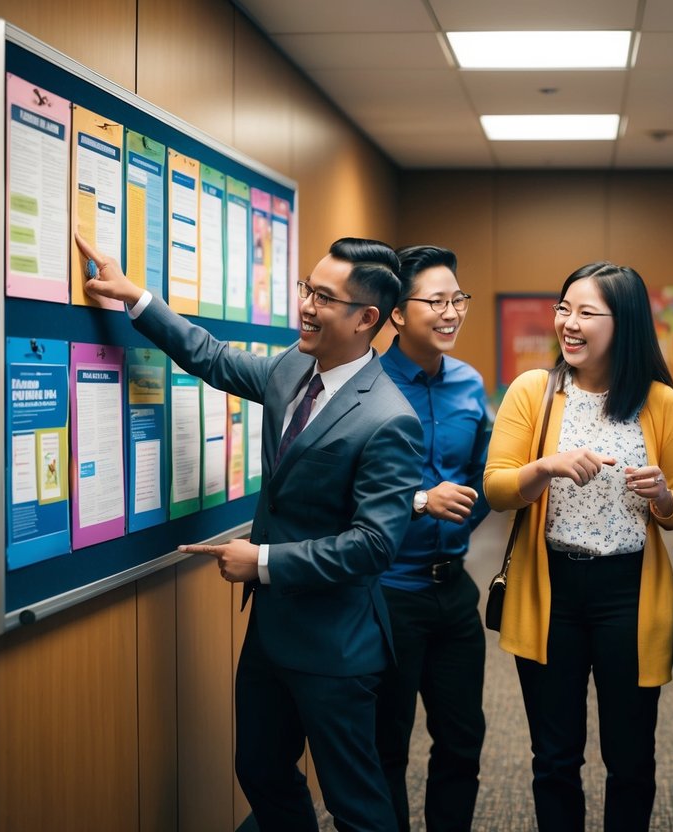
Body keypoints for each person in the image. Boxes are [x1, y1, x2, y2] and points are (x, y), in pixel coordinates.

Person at [76, 232, 423, 832]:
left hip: (336, 646)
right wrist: (136, 297)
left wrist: (263, 560)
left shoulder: (389, 418)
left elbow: (374, 545)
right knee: (260, 769)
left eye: (323, 297)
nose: (306, 306)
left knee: (356, 803)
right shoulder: (293, 367)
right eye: (306, 289)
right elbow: (214, 359)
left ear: (367, 318)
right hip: (271, 632)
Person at [483, 261, 673, 832]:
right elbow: (497, 489)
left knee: (631, 759)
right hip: (550, 589)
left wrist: (662, 498)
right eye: (563, 309)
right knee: (554, 758)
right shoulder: (535, 391)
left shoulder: (659, 402)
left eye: (586, 313)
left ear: (622, 325)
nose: (568, 324)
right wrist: (546, 466)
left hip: (630, 594)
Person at [374, 245, 490, 832]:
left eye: (458, 299)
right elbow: (348, 490)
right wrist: (420, 502)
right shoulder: (365, 386)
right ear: (396, 312)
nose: (452, 312)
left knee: (463, 739)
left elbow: (486, 474)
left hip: (454, 593)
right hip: (388, 593)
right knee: (387, 742)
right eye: (436, 301)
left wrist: (467, 513)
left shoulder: (469, 383)